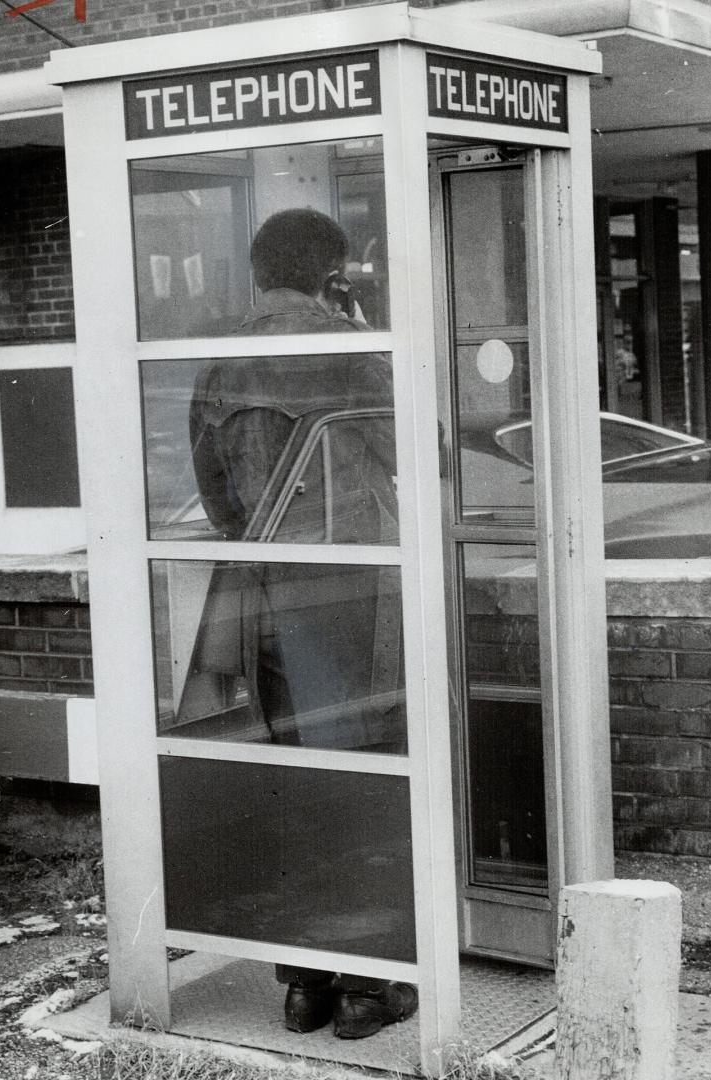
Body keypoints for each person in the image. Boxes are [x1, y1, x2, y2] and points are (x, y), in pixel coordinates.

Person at [187, 208, 417, 1040]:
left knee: (295, 784)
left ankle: (303, 985)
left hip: (264, 602)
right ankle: (368, 987)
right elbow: (415, 452)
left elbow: (217, 498)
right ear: (332, 273)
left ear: (255, 272)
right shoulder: (347, 349)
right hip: (350, 601)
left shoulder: (217, 361)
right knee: (366, 780)